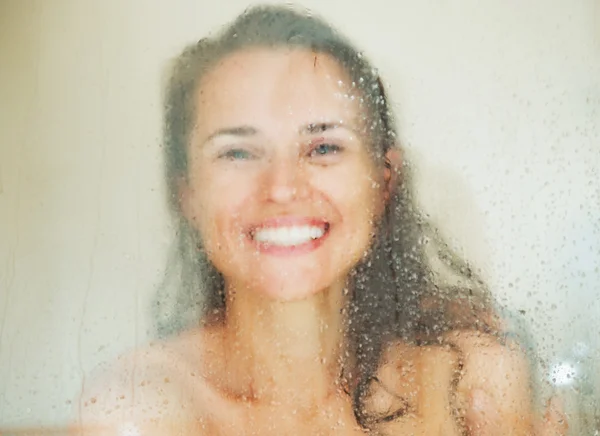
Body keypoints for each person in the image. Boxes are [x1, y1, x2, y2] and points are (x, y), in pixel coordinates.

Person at [72, 5, 567, 435]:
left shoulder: (470, 376)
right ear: (189, 196)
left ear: (383, 182)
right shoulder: (139, 410)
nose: (283, 187)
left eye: (324, 147)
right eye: (239, 152)